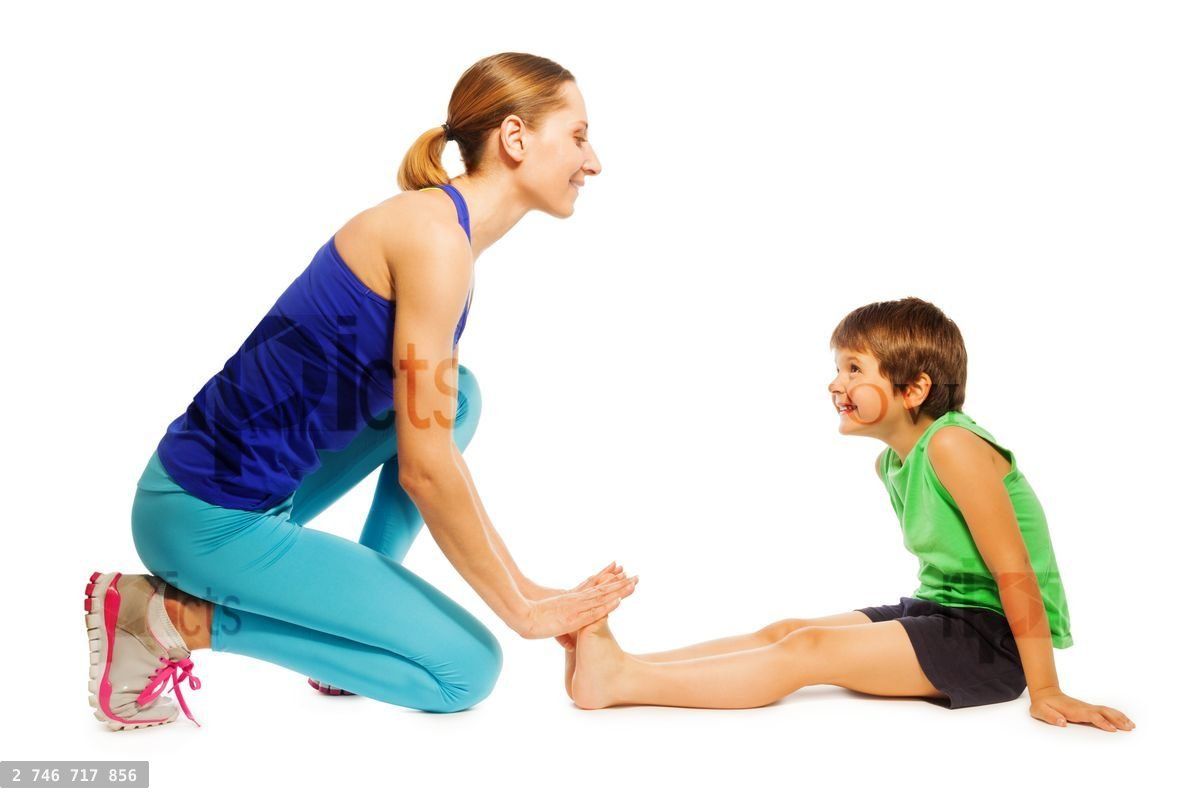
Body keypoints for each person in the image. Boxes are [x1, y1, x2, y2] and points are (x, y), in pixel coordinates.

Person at [83, 52, 638, 731]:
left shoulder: (440, 228)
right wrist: (521, 612)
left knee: (458, 396)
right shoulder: (436, 245)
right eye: (579, 136)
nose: (594, 161)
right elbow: (427, 471)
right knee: (466, 669)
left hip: (218, 494)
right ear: (516, 138)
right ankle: (172, 619)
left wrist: (529, 588)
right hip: (203, 522)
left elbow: (433, 433)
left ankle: (347, 631)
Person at [562, 298, 1135, 733]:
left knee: (808, 651)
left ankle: (621, 682)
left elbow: (1015, 572)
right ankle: (622, 665)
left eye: (855, 369)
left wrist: (1047, 689)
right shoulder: (893, 462)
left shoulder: (953, 446)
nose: (836, 384)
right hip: (942, 613)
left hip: (994, 643)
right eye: (839, 368)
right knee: (786, 630)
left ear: (914, 389)